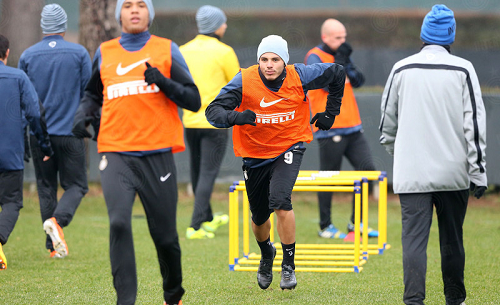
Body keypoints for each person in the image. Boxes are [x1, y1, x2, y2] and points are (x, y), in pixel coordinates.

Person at [72, 0, 200, 304]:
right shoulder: (106, 51)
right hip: (116, 152)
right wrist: (82, 113)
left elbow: (193, 100)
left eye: (141, 5)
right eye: (127, 5)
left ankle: (173, 293)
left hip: (158, 155)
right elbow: (92, 92)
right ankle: (125, 300)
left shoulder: (167, 49)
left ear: (149, 14)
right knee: (118, 222)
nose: (134, 9)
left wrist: (163, 82)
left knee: (165, 237)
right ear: (119, 14)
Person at [206, 35, 345, 290]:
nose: (269, 65)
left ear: (285, 62)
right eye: (264, 59)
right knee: (259, 217)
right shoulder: (244, 80)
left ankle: (289, 265)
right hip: (255, 153)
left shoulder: (301, 76)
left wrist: (330, 113)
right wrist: (237, 117)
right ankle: (266, 253)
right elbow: (212, 112)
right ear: (258, 60)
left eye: (275, 59)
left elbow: (337, 72)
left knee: (281, 201)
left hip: (289, 146)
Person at [379, 5, 487, 305]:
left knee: (413, 241)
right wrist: (478, 173)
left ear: (424, 34)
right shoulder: (464, 69)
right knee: (452, 240)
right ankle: (455, 300)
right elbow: (475, 124)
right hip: (454, 174)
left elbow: (387, 122)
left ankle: (414, 301)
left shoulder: (401, 68)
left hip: (411, 173)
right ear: (450, 35)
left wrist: (397, 150)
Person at [18, 3, 91, 258]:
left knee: (46, 186)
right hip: (70, 134)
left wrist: (23, 134)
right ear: (62, 26)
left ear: (43, 26)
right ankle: (57, 222)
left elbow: (23, 99)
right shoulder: (79, 53)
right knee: (77, 185)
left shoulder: (27, 56)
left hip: (40, 136)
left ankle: (52, 247)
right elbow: (88, 93)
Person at [305, 18, 378, 240]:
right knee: (329, 177)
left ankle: (356, 224)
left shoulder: (342, 56)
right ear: (325, 37)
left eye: (344, 37)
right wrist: (340, 62)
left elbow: (357, 80)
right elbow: (327, 85)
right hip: (330, 127)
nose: (343, 41)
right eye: (338, 38)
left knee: (367, 170)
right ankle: (325, 226)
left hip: (353, 126)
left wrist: (344, 61)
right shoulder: (314, 56)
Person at [179, 5, 239, 239]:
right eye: (223, 22)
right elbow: (237, 83)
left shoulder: (183, 50)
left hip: (190, 122)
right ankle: (195, 227)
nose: (225, 26)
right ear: (216, 26)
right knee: (207, 175)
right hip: (215, 122)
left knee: (197, 173)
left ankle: (208, 219)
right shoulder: (224, 52)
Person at [0, 34, 53, 270]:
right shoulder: (18, 77)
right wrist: (44, 145)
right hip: (9, 154)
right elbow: (34, 113)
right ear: (7, 52)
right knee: (11, 202)